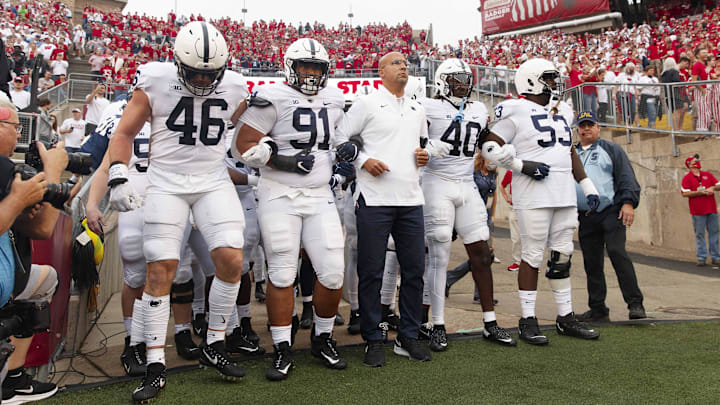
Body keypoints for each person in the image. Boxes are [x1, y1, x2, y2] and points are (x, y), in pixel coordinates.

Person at [106, 21, 249, 402]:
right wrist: (118, 175)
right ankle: (155, 364)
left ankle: (215, 342)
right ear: (177, 62)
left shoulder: (236, 85)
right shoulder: (154, 79)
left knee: (232, 260)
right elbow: (122, 134)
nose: (203, 80)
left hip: (212, 181)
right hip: (166, 181)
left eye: (210, 74)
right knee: (160, 270)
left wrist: (261, 143)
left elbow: (247, 122)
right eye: (196, 72)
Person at [234, 38, 348, 381]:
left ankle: (322, 337)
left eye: (316, 68)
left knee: (332, 271)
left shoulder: (335, 99)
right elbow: (243, 146)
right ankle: (282, 347)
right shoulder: (273, 97)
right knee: (282, 272)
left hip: (319, 195)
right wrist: (282, 160)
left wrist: (348, 155)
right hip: (279, 193)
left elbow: (338, 139)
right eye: (305, 66)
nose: (311, 73)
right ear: (290, 66)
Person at [335, 52, 447, 366]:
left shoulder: (416, 107)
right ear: (381, 71)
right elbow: (339, 138)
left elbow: (422, 145)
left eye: (405, 64)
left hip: (411, 200)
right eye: (396, 63)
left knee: (414, 272)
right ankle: (373, 338)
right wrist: (361, 161)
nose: (403, 67)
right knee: (370, 272)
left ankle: (407, 336)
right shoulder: (366, 103)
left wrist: (424, 155)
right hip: (374, 200)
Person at [480, 58, 601, 345]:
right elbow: (488, 147)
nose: (554, 84)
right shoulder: (515, 109)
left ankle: (565, 316)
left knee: (562, 255)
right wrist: (522, 166)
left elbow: (568, 151)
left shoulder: (561, 110)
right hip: (533, 193)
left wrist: (587, 185)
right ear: (532, 80)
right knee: (532, 255)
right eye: (548, 78)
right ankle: (528, 319)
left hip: (563, 192)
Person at [418, 58, 514, 351]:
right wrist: (425, 148)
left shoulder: (477, 108)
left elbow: (483, 141)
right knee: (439, 255)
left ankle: (489, 322)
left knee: (482, 254)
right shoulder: (426, 107)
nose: (462, 85)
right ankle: (436, 324)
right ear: (442, 81)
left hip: (466, 182)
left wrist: (499, 151)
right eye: (456, 80)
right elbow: (410, 142)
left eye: (465, 79)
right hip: (436, 181)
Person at [0, 99, 67, 404]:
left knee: (43, 282)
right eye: (15, 127)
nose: (17, 136)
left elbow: (37, 228)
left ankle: (12, 379)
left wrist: (28, 204)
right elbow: (41, 230)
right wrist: (51, 175)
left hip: (9, 283)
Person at [572, 110, 645, 323]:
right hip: (586, 215)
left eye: (590, 125)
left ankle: (635, 303)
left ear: (598, 127)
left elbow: (625, 176)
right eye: (582, 125)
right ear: (577, 128)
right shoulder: (571, 152)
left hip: (610, 210)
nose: (586, 129)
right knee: (591, 261)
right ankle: (598, 309)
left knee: (616, 252)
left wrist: (629, 203)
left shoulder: (611, 149)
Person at [681, 154, 720, 267]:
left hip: (711, 209)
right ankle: (701, 257)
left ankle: (715, 257)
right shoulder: (687, 178)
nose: (697, 162)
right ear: (690, 164)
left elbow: (718, 184)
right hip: (698, 211)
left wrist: (712, 188)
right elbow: (685, 193)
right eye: (695, 160)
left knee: (714, 233)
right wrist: (701, 192)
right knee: (700, 234)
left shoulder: (707, 175)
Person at [499, 169, 521, 271]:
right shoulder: (510, 172)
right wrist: (507, 198)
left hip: (528, 207)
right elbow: (502, 185)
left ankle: (532, 263)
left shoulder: (530, 170)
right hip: (515, 207)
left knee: (530, 236)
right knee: (516, 237)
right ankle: (517, 262)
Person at [660, 57, 689, 132]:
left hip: (668, 94)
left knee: (674, 113)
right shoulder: (674, 71)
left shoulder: (663, 74)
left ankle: (675, 129)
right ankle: (676, 130)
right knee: (677, 112)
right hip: (675, 93)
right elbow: (677, 82)